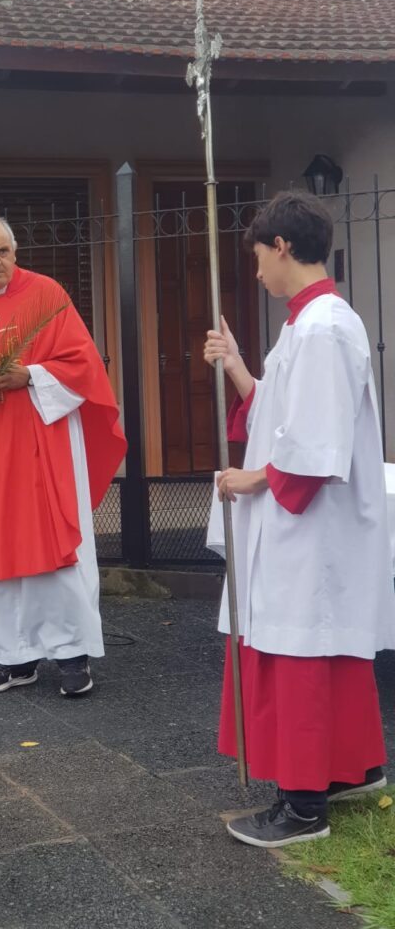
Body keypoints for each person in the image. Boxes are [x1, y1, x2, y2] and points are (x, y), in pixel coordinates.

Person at [204, 191, 395, 847]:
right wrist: (237, 367)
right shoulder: (310, 323)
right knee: (322, 643)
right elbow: (284, 415)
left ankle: (303, 804)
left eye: (259, 256)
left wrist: (250, 477)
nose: (257, 271)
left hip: (310, 528)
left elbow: (312, 447)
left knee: (301, 648)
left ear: (282, 246)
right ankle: (350, 768)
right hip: (311, 526)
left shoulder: (321, 329)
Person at [0, 215, 126, 696]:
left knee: (53, 549)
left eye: (3, 252)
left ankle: (72, 654)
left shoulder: (46, 295)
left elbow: (82, 364)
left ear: (15, 251)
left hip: (42, 444)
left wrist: (29, 375)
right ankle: (11, 657)